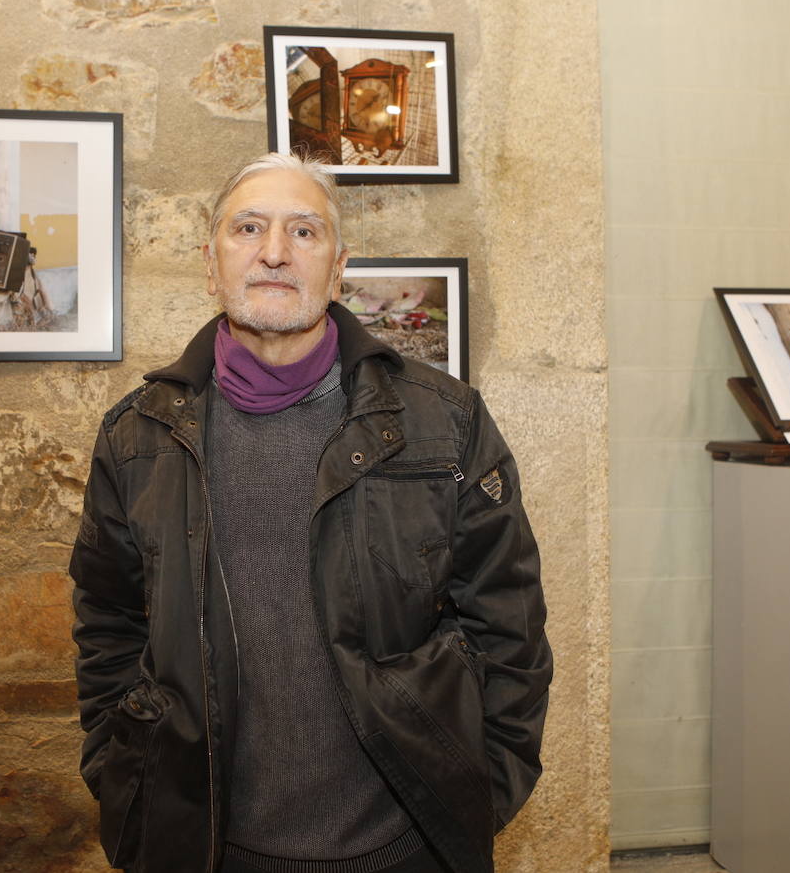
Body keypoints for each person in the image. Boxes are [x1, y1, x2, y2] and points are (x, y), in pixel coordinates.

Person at [69, 153, 552, 873]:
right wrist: (126, 779)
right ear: (211, 263)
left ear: (338, 268)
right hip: (202, 847)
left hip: (403, 846)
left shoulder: (442, 421)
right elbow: (108, 622)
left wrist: (481, 788)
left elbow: (507, 619)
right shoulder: (137, 435)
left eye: (304, 232)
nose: (273, 253)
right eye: (248, 229)